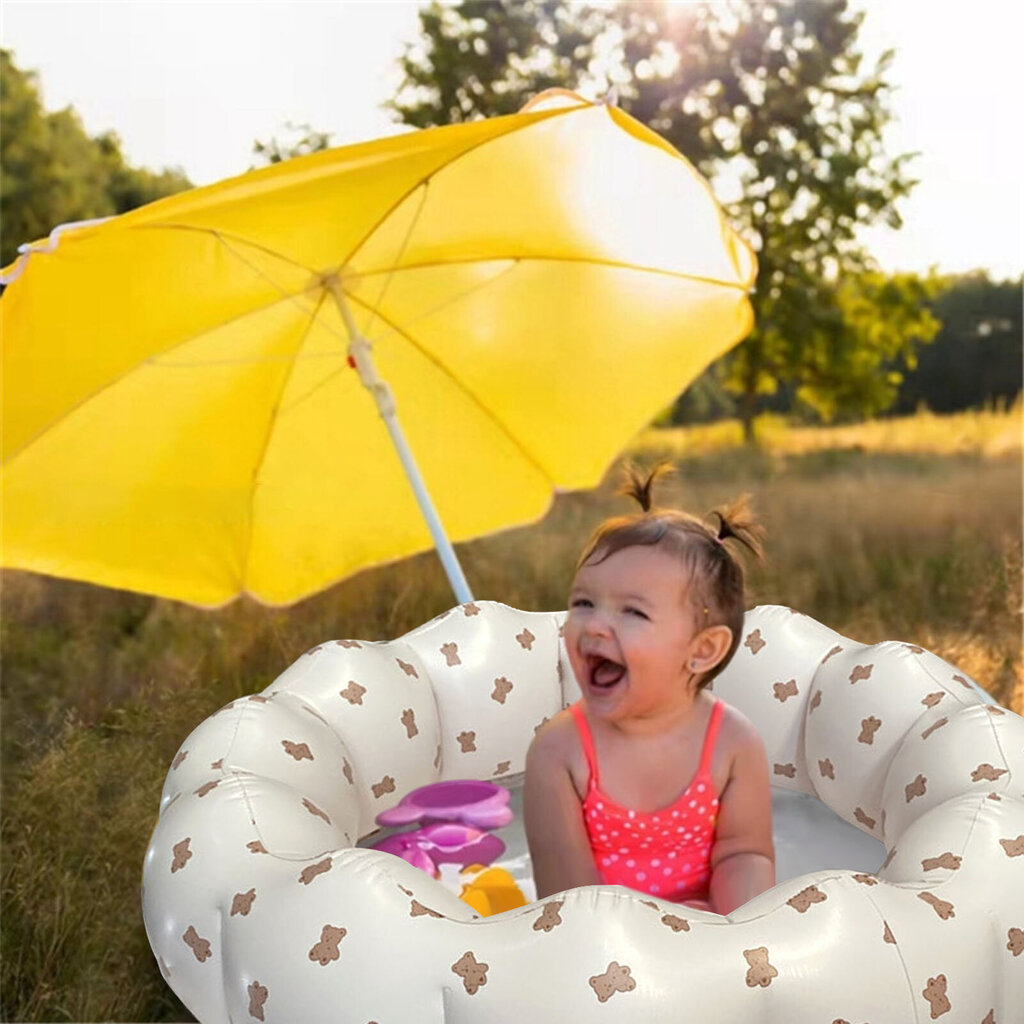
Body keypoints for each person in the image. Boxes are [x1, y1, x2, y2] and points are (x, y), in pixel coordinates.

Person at [523, 464, 775, 913]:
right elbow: (567, 900)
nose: (594, 625)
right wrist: (654, 938)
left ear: (702, 650)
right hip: (606, 954)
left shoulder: (734, 744)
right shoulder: (559, 752)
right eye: (583, 602)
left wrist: (734, 931)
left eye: (633, 613)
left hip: (705, 934)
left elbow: (744, 854)